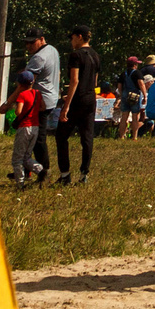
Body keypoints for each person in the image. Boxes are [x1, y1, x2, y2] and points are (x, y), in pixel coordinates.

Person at [56, 25, 101, 187]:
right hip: (90, 98)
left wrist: (66, 106)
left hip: (78, 99)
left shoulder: (75, 55)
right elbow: (94, 81)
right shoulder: (95, 55)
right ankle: (84, 174)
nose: (71, 41)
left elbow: (74, 81)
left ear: (79, 37)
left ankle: (65, 174)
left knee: (61, 135)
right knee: (87, 137)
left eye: (72, 37)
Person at [9, 70, 44, 186]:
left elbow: (18, 112)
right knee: (27, 156)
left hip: (24, 127)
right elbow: (43, 107)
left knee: (17, 158)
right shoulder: (38, 93)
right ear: (32, 82)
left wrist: (16, 109)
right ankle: (41, 170)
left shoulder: (22, 95)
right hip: (35, 127)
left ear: (19, 84)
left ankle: (20, 183)